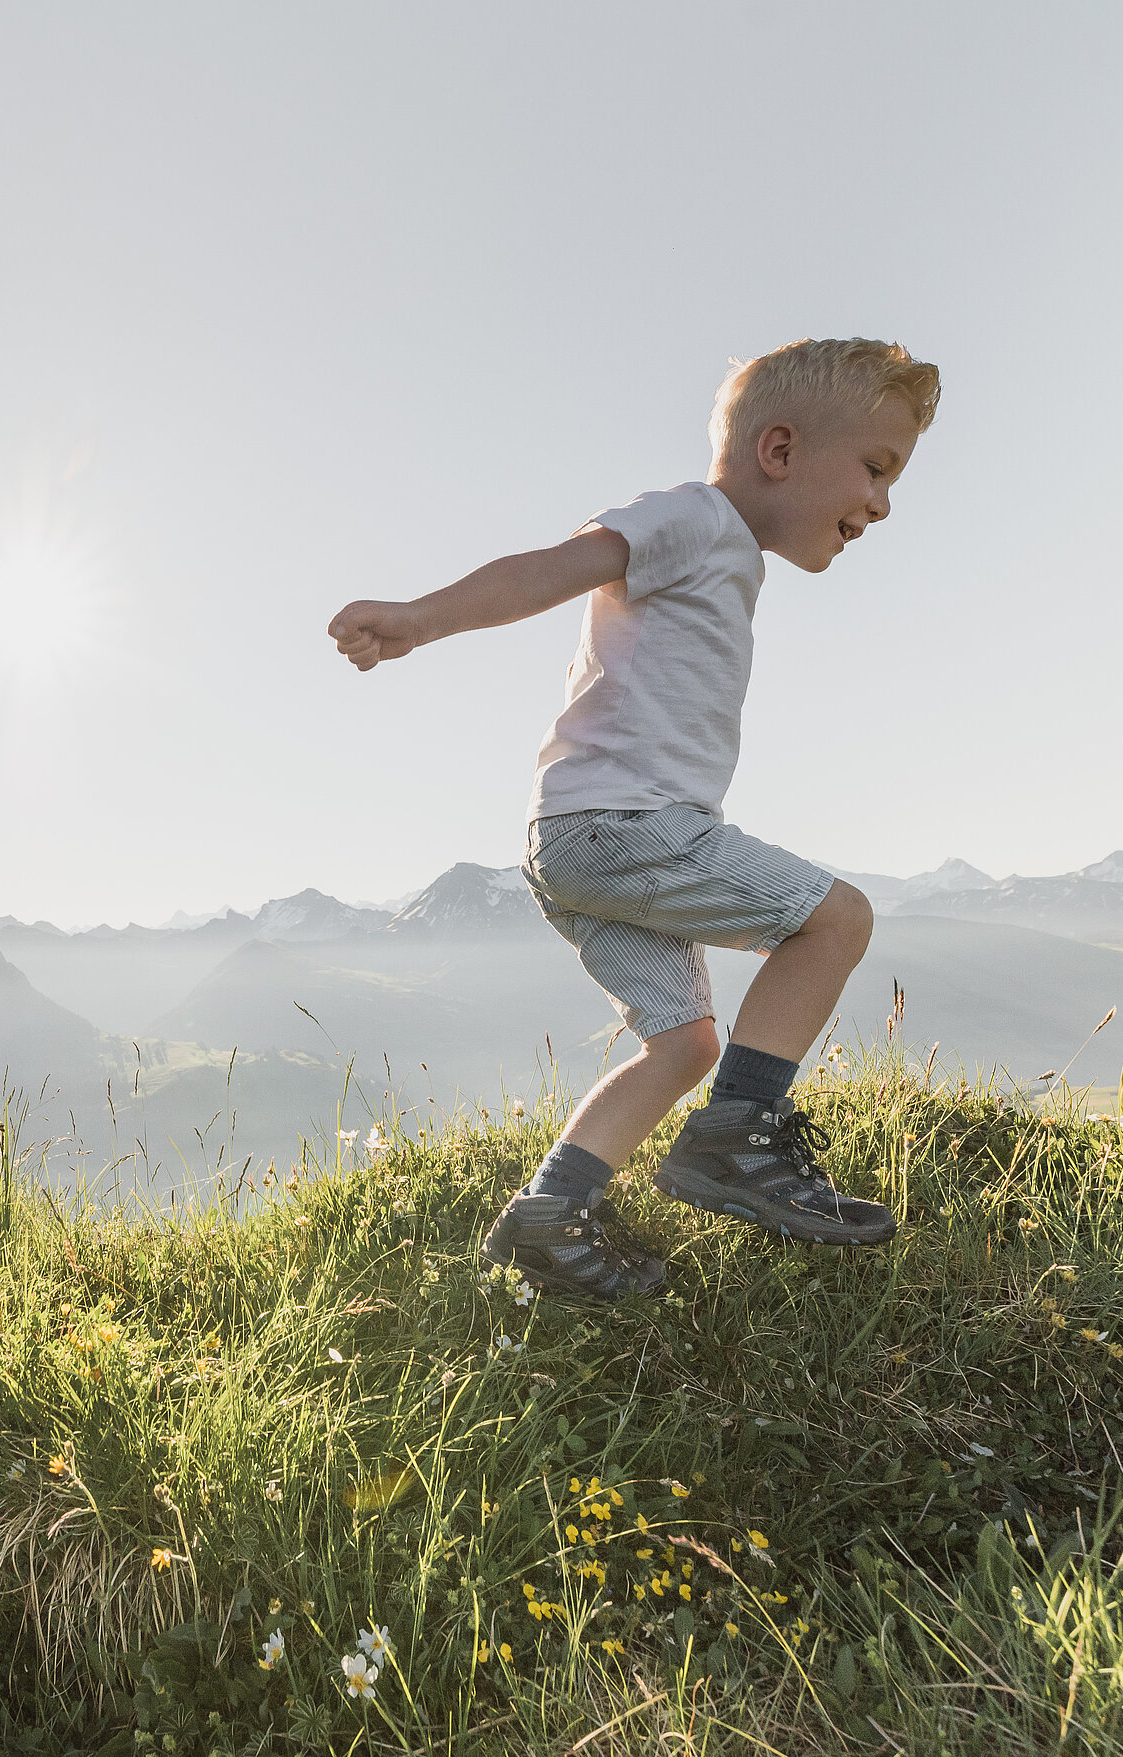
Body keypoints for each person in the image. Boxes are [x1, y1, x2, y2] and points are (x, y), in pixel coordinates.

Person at [330, 338, 940, 1299]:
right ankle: (740, 1135)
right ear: (778, 450)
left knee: (685, 1043)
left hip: (580, 844)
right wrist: (421, 617)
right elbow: (553, 569)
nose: (883, 502)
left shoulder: (726, 550)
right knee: (837, 920)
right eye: (875, 468)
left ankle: (547, 1217)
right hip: (624, 826)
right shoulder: (692, 519)